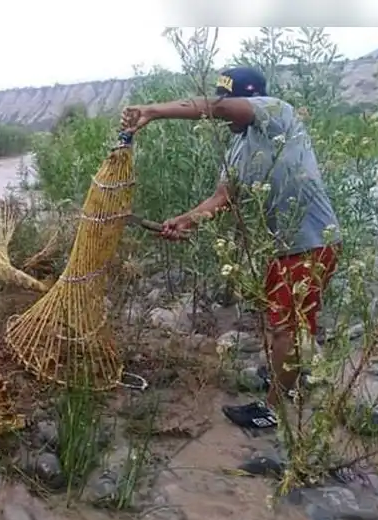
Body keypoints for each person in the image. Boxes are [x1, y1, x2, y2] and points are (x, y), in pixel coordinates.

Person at [121, 66, 342, 430]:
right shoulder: (239, 147)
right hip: (286, 247)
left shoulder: (277, 113)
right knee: (281, 324)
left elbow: (220, 109)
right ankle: (285, 379)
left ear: (248, 99)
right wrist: (186, 219)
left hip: (313, 242)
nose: (222, 111)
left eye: (228, 101)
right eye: (220, 99)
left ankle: (272, 411)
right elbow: (224, 197)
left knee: (286, 328)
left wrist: (156, 111)